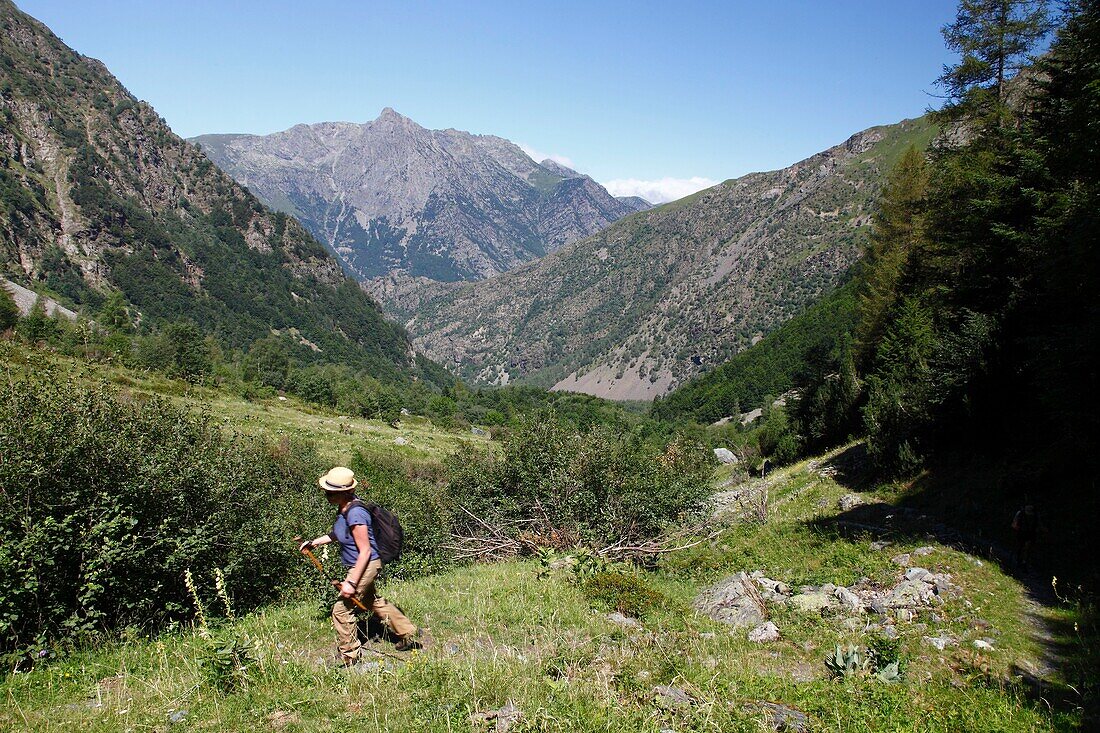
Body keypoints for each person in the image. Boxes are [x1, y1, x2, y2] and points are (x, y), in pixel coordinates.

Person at [299, 466, 420, 665]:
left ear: (344, 492)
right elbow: (339, 534)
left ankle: (350, 655)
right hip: (360, 565)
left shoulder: (355, 514)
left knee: (341, 610)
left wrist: (351, 581)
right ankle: (406, 632)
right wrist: (314, 542)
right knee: (373, 601)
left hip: (365, 565)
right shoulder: (345, 508)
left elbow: (365, 551)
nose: (327, 494)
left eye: (331, 491)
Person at [1011, 503, 1045, 570]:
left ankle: (1024, 562)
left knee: (1027, 548)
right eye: (1028, 505)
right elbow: (1014, 523)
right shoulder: (1020, 513)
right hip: (1021, 533)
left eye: (1031, 505)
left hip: (1030, 534)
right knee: (1021, 547)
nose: (1029, 507)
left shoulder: (1035, 515)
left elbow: (1039, 525)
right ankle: (1019, 560)